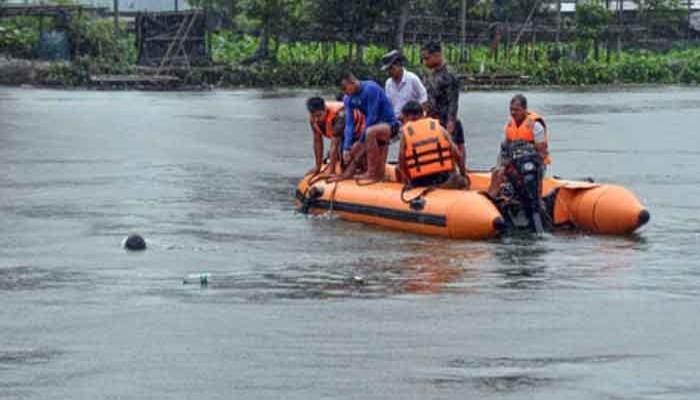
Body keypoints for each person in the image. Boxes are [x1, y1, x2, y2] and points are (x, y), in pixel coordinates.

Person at [336, 71, 399, 181]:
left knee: (369, 132)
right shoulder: (348, 98)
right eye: (342, 90)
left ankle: (371, 173)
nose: (345, 92)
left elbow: (372, 117)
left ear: (352, 81)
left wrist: (360, 142)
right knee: (365, 137)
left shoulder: (371, 88)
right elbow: (349, 124)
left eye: (345, 88)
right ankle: (377, 173)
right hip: (374, 129)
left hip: (390, 126)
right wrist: (346, 147)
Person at [487, 94, 550, 197]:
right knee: (497, 173)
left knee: (530, 179)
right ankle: (491, 199)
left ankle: (536, 201)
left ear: (525, 109)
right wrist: (500, 166)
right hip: (515, 161)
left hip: (533, 163)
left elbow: (541, 152)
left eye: (517, 110)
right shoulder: (510, 125)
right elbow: (505, 149)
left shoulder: (535, 126)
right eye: (511, 109)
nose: (513, 113)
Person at [398, 101, 468, 189]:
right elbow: (457, 155)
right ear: (422, 115)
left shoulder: (406, 134)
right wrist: (463, 174)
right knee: (462, 181)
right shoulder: (438, 127)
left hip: (419, 182)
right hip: (443, 178)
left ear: (405, 117)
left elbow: (402, 162)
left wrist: (407, 181)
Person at [421, 41, 466, 168]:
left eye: (427, 58)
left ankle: (460, 172)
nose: (425, 62)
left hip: (446, 118)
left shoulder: (449, 75)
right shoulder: (432, 73)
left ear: (437, 55)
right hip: (432, 118)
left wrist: (450, 121)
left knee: (454, 147)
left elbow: (453, 101)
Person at [305, 96, 365, 175]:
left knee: (347, 166)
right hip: (344, 136)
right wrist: (317, 166)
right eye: (313, 116)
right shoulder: (313, 119)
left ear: (325, 110)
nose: (316, 119)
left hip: (361, 133)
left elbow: (334, 145)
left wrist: (331, 171)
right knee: (336, 156)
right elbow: (317, 141)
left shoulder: (340, 116)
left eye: (319, 116)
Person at [381, 49, 428, 121]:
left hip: (412, 120)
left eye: (391, 68)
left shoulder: (412, 79)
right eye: (387, 70)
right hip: (395, 120)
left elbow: (424, 99)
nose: (389, 72)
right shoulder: (388, 83)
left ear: (399, 65)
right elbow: (389, 104)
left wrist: (419, 117)